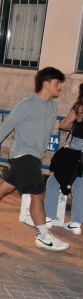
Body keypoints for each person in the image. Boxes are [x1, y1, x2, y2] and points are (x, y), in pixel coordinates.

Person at [0, 67, 69, 252]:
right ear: (46, 83)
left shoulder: (53, 106)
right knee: (38, 194)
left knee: (6, 187)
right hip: (23, 155)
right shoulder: (27, 104)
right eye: (57, 83)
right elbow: (7, 125)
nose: (60, 87)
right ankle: (43, 236)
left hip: (34, 157)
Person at [45, 82, 83, 236]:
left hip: (75, 149)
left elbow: (65, 124)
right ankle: (76, 224)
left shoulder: (79, 107)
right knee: (81, 187)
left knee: (55, 180)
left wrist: (70, 126)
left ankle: (47, 217)